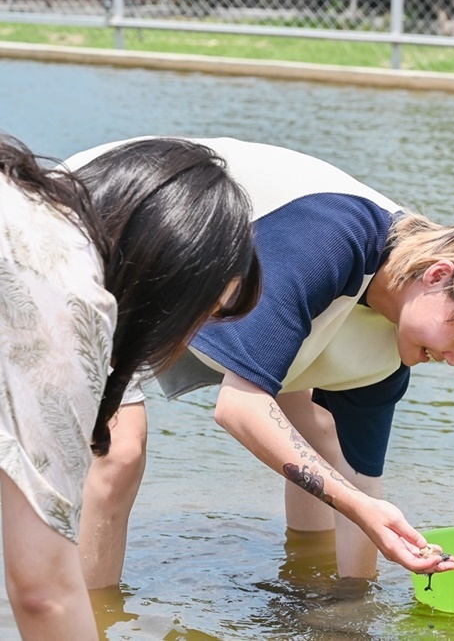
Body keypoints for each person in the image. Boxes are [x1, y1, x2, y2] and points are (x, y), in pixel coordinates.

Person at [67, 137, 454, 588]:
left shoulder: (390, 344)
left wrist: (353, 606)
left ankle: (309, 586)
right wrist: (359, 505)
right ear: (438, 274)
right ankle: (92, 619)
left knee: (319, 437)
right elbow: (240, 409)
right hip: (96, 231)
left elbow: (361, 484)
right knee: (120, 450)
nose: (451, 360)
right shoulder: (331, 237)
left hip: (198, 276)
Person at [0, 135, 260, 639]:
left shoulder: (25, 208)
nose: (186, 341)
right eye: (200, 314)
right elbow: (43, 591)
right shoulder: (67, 296)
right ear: (170, 276)